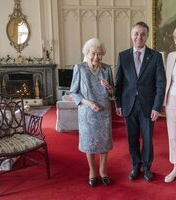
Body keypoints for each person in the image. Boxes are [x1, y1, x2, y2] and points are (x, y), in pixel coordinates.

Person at [115, 21, 166, 182]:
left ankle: (147, 167)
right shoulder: (123, 56)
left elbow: (160, 83)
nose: (139, 37)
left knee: (148, 138)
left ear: (147, 36)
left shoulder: (156, 56)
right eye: (136, 33)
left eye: (143, 34)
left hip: (148, 106)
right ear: (131, 36)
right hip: (129, 105)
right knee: (132, 138)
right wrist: (118, 103)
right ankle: (136, 166)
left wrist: (157, 107)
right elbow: (119, 82)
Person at [70, 38, 114, 187]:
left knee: (104, 144)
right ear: (86, 53)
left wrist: (108, 87)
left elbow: (113, 94)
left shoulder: (107, 69)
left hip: (104, 113)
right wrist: (89, 103)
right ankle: (92, 171)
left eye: (100, 54)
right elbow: (73, 92)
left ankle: (103, 171)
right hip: (87, 114)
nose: (96, 57)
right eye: (93, 53)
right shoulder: (79, 68)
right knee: (89, 143)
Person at [164, 25, 176, 190]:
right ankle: (175, 168)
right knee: (173, 136)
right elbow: (167, 80)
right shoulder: (170, 56)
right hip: (170, 101)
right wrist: (163, 102)